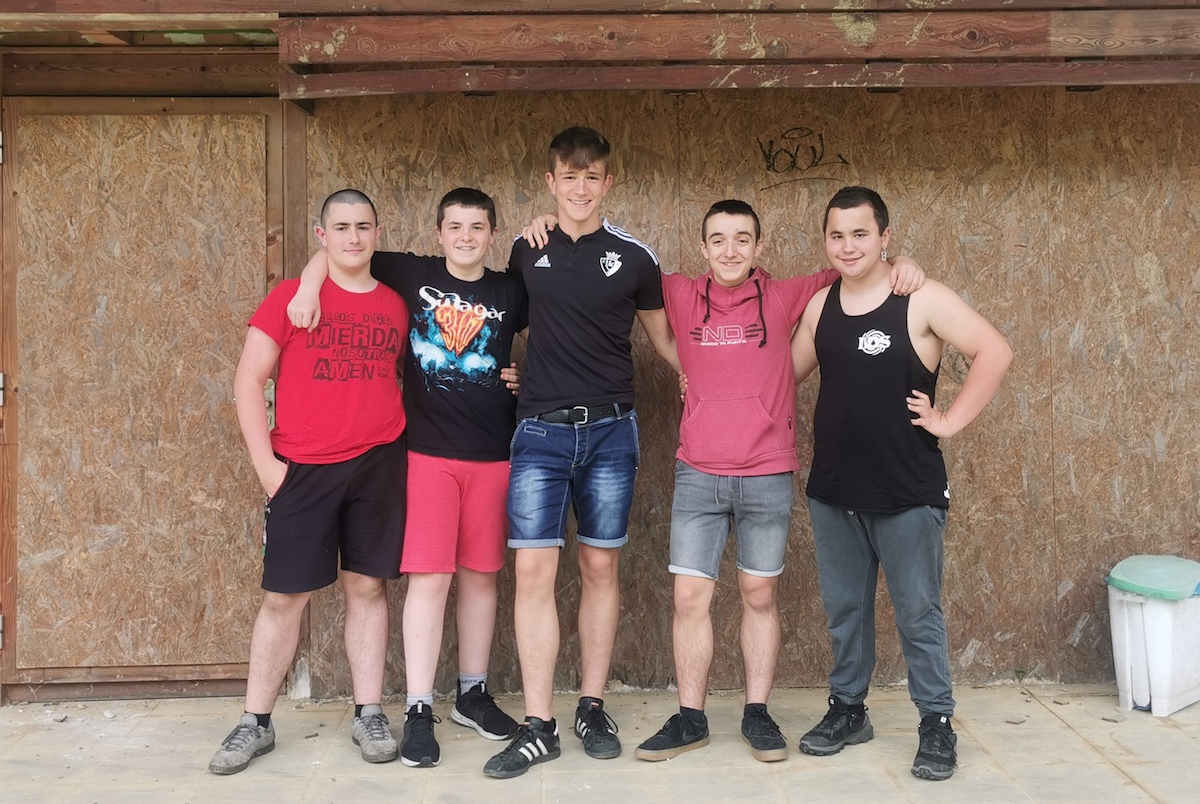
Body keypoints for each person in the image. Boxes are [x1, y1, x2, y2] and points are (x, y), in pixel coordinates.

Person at [623, 200, 923, 765]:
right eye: (718, 239)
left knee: (758, 595)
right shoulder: (680, 293)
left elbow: (857, 267)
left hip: (766, 472)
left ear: (759, 247)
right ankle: (690, 717)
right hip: (698, 473)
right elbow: (619, 264)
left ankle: (757, 713)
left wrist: (903, 262)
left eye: (742, 239)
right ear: (703, 247)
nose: (730, 250)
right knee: (689, 598)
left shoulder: (786, 295)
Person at [286, 188, 527, 769]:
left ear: (492, 235)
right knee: (430, 579)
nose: (465, 237)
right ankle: (419, 707)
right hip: (425, 455)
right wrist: (307, 288)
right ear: (438, 233)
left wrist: (530, 374)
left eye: (477, 227)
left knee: (481, 577)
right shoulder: (413, 274)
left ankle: (471, 694)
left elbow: (563, 324)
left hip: (493, 455)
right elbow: (339, 251)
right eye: (455, 227)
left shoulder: (510, 290)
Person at [790, 186, 1012, 781]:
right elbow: (779, 376)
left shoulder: (920, 298)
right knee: (845, 611)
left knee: (918, 613)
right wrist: (705, 378)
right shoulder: (820, 307)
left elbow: (994, 350)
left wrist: (950, 421)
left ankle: (936, 722)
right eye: (837, 235)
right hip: (834, 490)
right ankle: (848, 710)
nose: (848, 246)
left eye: (861, 234)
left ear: (885, 237)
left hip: (906, 490)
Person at [482, 126, 680, 780]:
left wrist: (708, 379)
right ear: (551, 182)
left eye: (591, 176)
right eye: (569, 176)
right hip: (539, 433)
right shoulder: (526, 248)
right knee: (534, 574)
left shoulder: (635, 257)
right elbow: (499, 321)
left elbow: (667, 342)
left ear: (608, 182)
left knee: (599, 568)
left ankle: (591, 707)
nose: (580, 187)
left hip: (611, 434)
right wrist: (505, 373)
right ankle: (539, 726)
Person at [209, 189, 408, 775]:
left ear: (377, 233)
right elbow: (248, 381)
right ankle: (256, 721)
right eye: (340, 227)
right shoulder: (291, 299)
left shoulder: (396, 305)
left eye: (363, 226)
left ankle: (369, 712)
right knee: (283, 597)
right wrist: (267, 467)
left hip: (377, 463)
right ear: (322, 235)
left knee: (367, 589)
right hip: (301, 468)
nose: (353, 237)